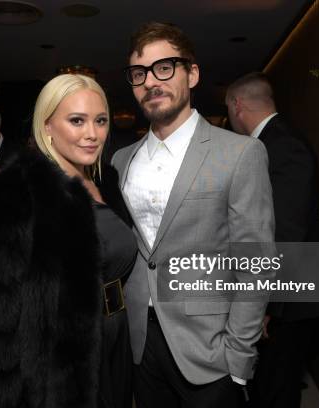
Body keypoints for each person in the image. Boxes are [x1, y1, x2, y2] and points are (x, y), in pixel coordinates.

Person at [112, 22, 275, 407]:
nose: (152, 81)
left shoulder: (240, 153)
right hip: (139, 343)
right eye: (140, 74)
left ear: (193, 73)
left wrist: (237, 355)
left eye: (165, 67)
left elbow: (256, 262)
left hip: (210, 349)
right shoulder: (120, 161)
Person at [0, 74, 137, 408]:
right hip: (57, 366)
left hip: (115, 339)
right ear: (47, 125)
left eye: (100, 121)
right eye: (77, 121)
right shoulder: (16, 192)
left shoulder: (106, 180)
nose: (92, 134)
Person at [225, 72, 319, 408]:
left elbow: (285, 234)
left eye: (227, 109)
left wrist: (265, 305)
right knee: (266, 387)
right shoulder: (273, 141)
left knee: (275, 391)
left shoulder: (281, 146)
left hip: (287, 304)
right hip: (281, 300)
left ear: (237, 105)